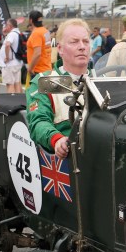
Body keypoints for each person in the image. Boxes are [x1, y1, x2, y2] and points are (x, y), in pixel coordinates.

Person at [26, 19, 91, 159]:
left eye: (86, 41)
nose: (82, 47)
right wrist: (56, 139)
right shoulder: (46, 82)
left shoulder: (102, 79)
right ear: (60, 49)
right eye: (74, 42)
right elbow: (38, 122)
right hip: (71, 158)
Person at [26, 9, 53, 80]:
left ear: (30, 20)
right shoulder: (45, 31)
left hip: (38, 70)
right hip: (47, 68)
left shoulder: (36, 33)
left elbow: (37, 53)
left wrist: (30, 68)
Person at [0, 18, 23, 94]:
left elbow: (7, 45)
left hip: (10, 64)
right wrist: (5, 35)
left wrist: (7, 57)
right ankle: (18, 100)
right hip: (17, 62)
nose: (5, 27)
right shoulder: (18, 33)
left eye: (6, 25)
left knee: (10, 84)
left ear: (10, 26)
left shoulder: (12, 34)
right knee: (17, 83)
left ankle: (11, 100)